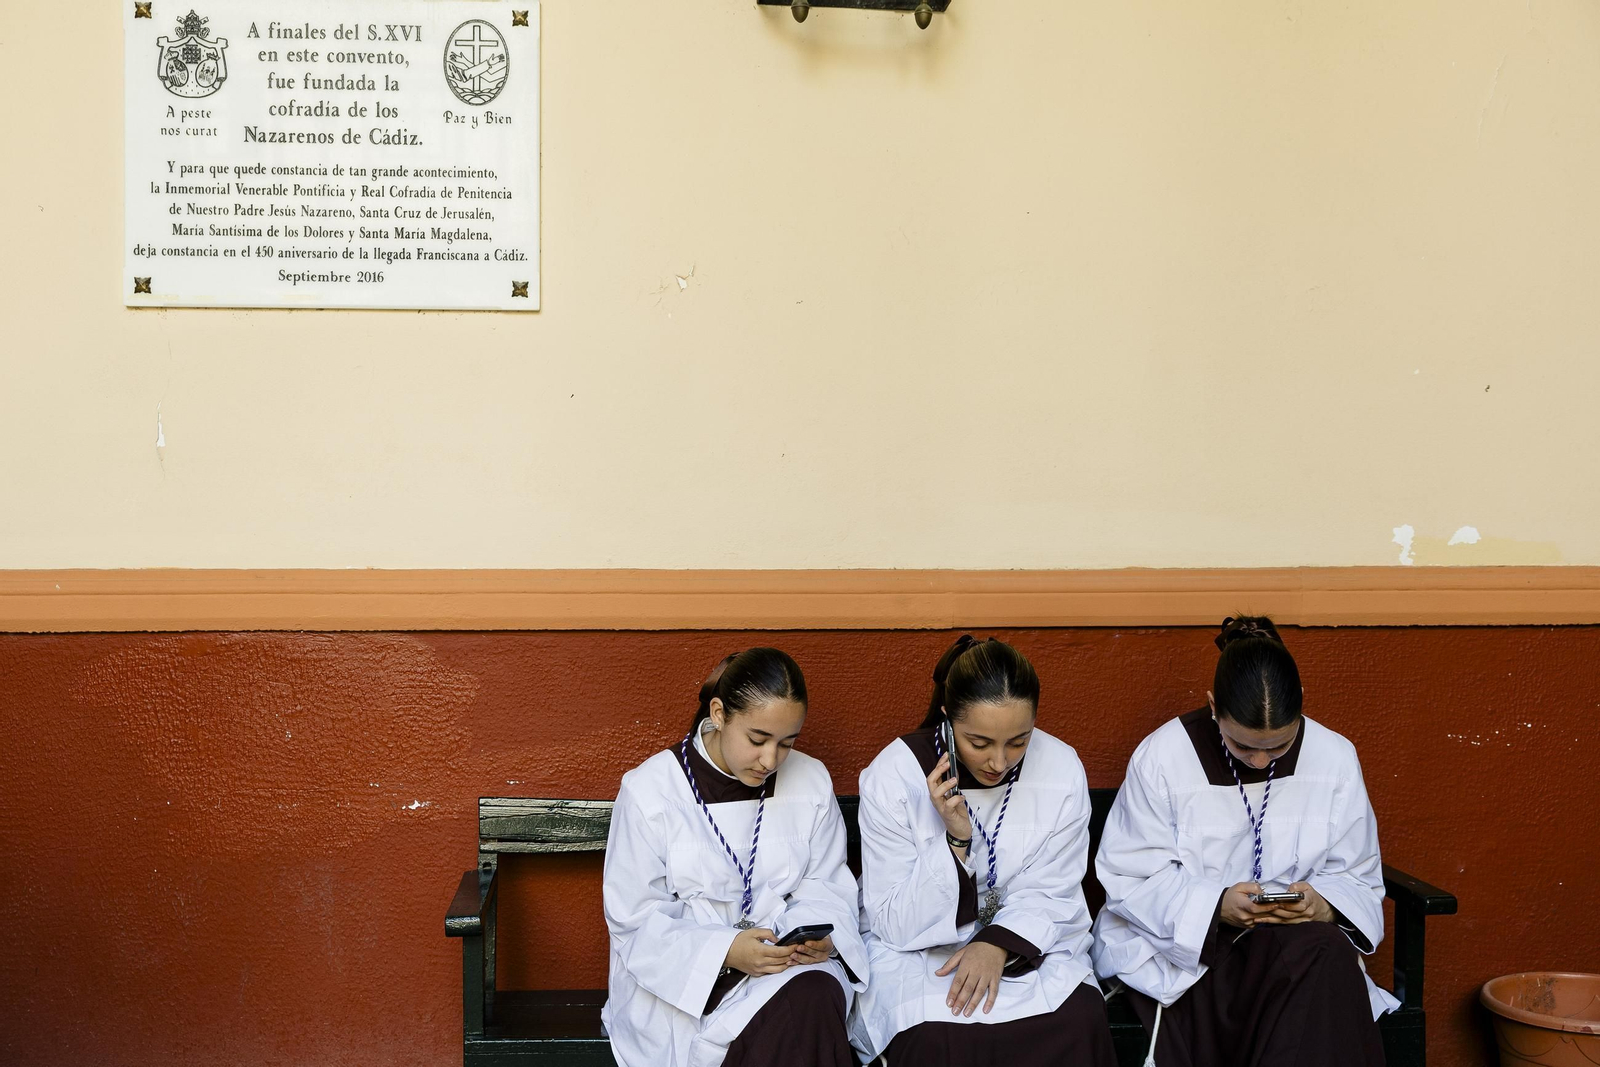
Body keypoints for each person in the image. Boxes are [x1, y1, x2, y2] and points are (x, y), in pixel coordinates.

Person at [1092, 616, 1396, 1067]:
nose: (1259, 760)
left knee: (1319, 954)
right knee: (1317, 970)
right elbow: (1130, 876)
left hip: (1300, 945)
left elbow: (1357, 873)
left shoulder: (1334, 756)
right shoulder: (1164, 756)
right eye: (1241, 746)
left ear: (1302, 709)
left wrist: (1322, 904)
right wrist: (1216, 907)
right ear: (1213, 707)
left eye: (1278, 748)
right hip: (1196, 956)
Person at [851, 635, 1116, 1066]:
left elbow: (1055, 887)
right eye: (979, 743)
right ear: (947, 717)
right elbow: (892, 920)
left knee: (1076, 1020)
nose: (999, 762)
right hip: (921, 952)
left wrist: (998, 943)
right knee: (940, 1039)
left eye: (1019, 741)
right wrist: (956, 840)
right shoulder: (895, 774)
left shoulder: (1061, 765)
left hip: (1027, 942)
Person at [601, 648, 866, 1067]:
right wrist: (726, 950)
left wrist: (813, 938)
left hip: (785, 965)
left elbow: (826, 884)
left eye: (786, 743)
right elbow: (634, 920)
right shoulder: (651, 790)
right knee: (795, 1017)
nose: (770, 760)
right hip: (686, 982)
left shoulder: (811, 780)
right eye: (757, 739)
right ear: (720, 713)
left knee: (811, 996)